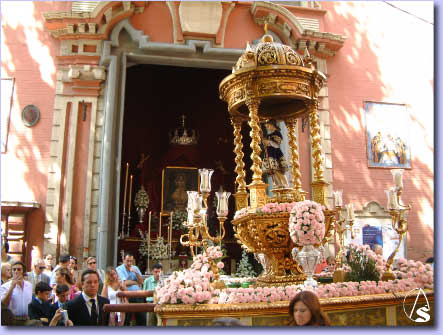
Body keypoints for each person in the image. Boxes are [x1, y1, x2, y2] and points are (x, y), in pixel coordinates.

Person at [116, 252, 145, 326]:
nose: (129, 263)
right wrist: (136, 282)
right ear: (123, 260)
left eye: (131, 261)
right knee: (127, 318)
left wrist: (136, 273)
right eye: (127, 261)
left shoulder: (135, 268)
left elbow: (141, 281)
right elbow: (124, 282)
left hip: (138, 295)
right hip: (127, 295)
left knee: (141, 317)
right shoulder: (119, 269)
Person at [261, 119, 289, 188]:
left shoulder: (277, 133)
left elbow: (276, 143)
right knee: (274, 170)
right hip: (270, 153)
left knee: (279, 170)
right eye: (266, 126)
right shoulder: (269, 135)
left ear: (272, 125)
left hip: (275, 153)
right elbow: (265, 142)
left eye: (268, 126)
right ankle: (280, 183)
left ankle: (286, 184)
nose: (268, 128)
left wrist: (268, 142)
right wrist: (261, 136)